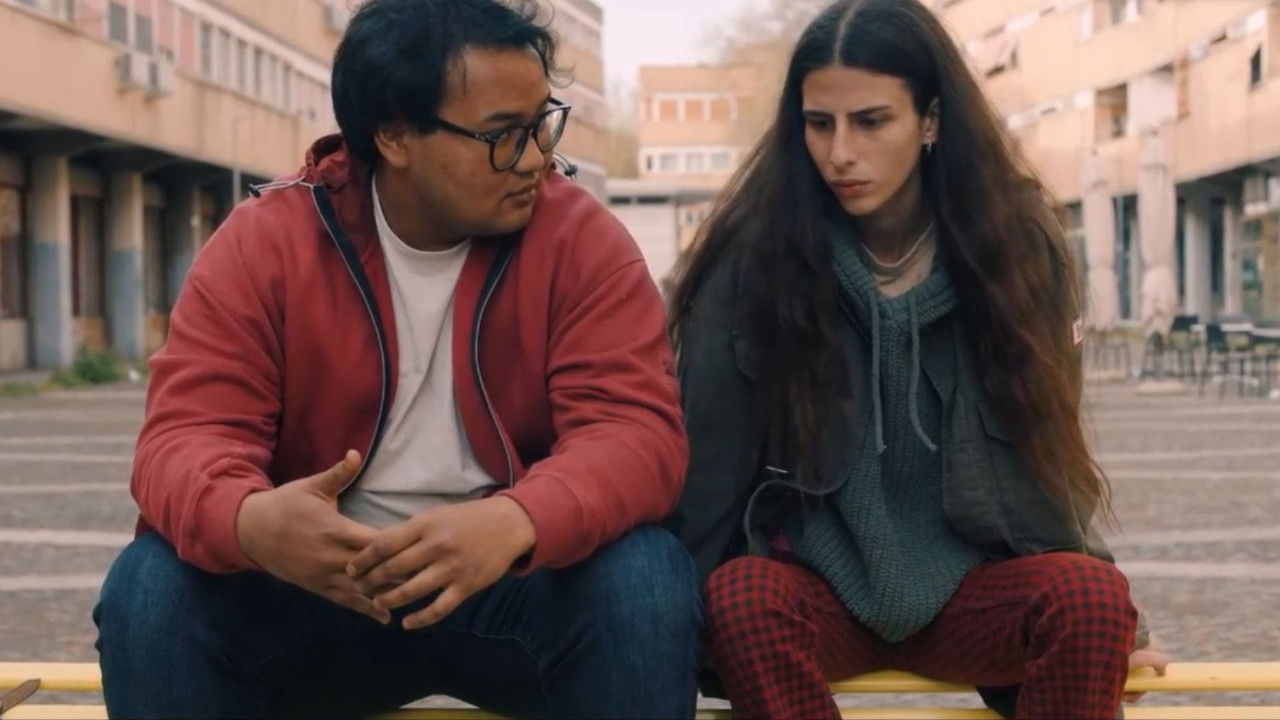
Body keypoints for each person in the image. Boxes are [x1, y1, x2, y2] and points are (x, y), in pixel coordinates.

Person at [93, 1, 700, 718]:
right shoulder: (266, 243)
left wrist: (517, 521)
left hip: (510, 581)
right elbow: (182, 438)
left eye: (542, 123)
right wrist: (251, 521)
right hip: (318, 586)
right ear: (394, 134)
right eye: (504, 135)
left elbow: (636, 434)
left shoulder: (580, 240)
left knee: (644, 578)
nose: (536, 157)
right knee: (151, 587)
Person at [666, 1, 1164, 718]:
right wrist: (665, 626)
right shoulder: (754, 255)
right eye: (819, 123)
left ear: (930, 119)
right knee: (739, 597)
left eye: (871, 121)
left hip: (976, 589)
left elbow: (1048, 447)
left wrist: (1123, 625)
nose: (840, 152)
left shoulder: (1015, 246)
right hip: (817, 589)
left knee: (1091, 599)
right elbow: (708, 462)